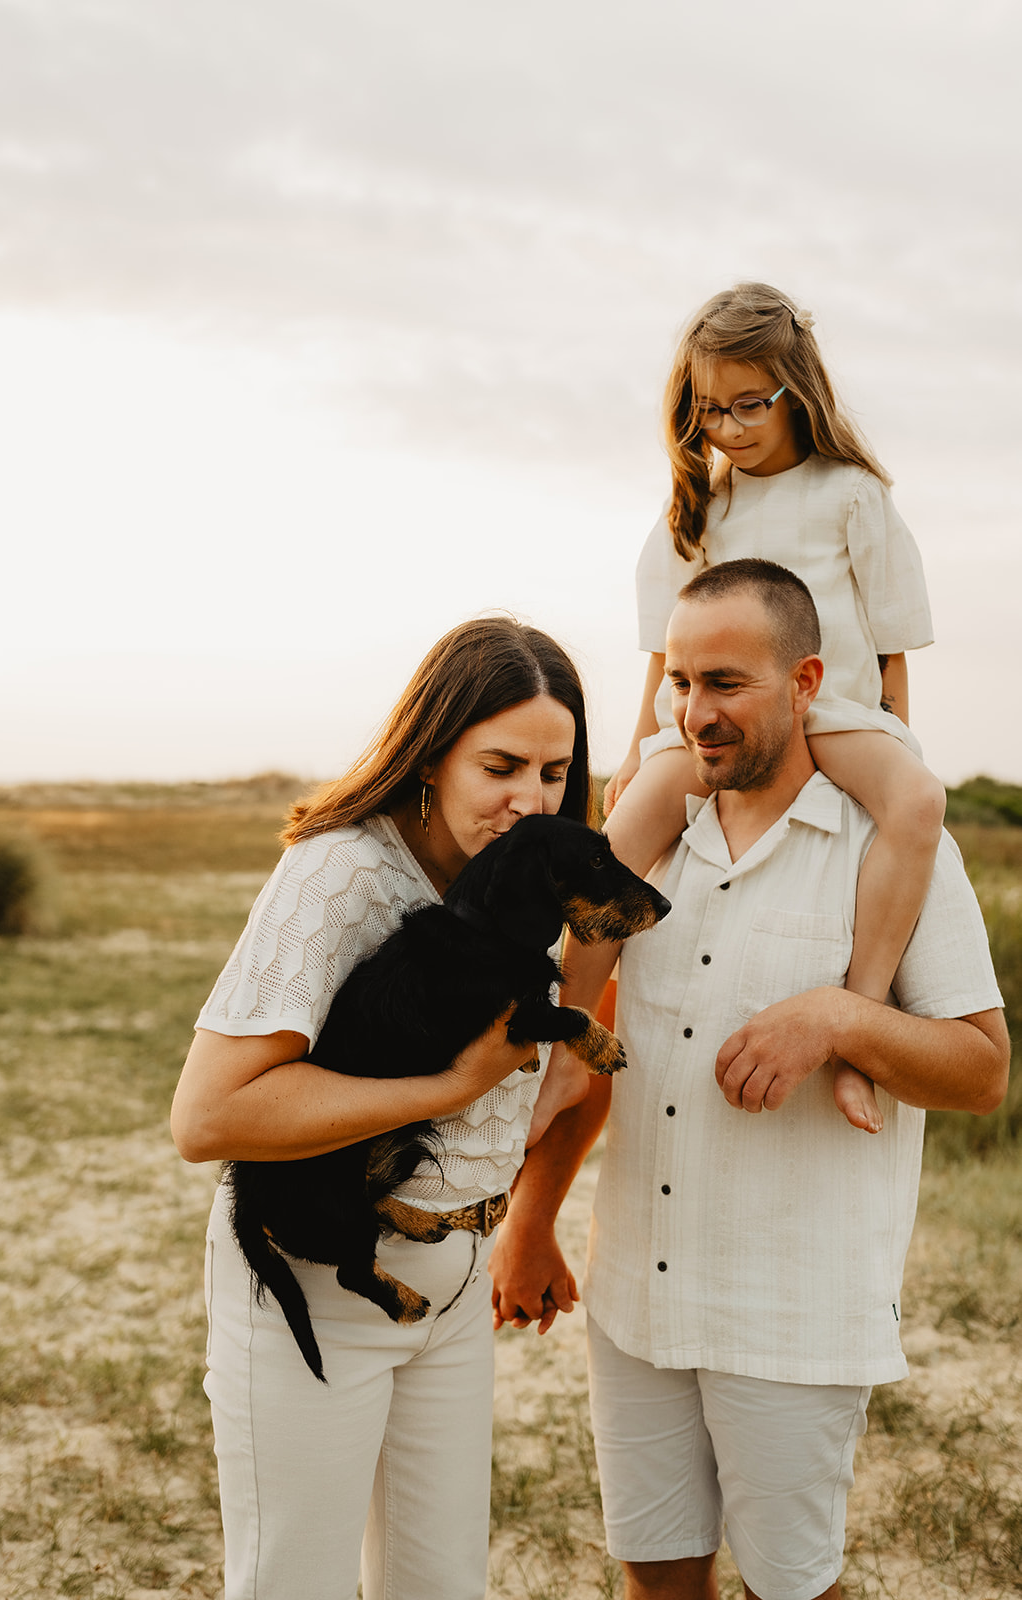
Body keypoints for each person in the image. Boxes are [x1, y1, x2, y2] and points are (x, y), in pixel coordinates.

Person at [490, 561, 1008, 1600]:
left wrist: (838, 1016)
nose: (692, 711)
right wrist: (533, 1217)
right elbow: (591, 1047)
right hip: (635, 1295)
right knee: (655, 1582)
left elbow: (980, 1068)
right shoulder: (643, 842)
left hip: (792, 1313)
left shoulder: (894, 846)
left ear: (807, 680)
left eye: (724, 682)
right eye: (679, 681)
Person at [170, 616, 592, 1600]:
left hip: (448, 1286)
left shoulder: (521, 888)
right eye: (500, 766)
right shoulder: (342, 874)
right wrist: (450, 1086)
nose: (529, 802)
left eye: (552, 772)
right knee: (293, 1587)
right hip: (314, 1275)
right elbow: (207, 1116)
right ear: (429, 755)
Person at [536, 283, 946, 1137]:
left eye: (747, 405)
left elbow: (887, 644)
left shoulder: (851, 495)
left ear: (797, 390)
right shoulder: (701, 505)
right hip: (720, 722)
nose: (725, 427)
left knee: (917, 803)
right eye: (707, 410)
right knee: (620, 836)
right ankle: (568, 1050)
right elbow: (666, 654)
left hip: (833, 716)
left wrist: (898, 739)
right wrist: (641, 750)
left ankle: (857, 1022)